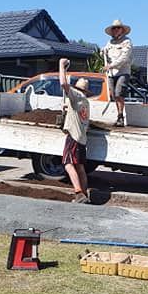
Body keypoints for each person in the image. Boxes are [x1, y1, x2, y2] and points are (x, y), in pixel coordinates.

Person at [58, 58, 91, 203]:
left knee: (68, 164)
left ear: (77, 89)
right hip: (82, 138)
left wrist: (61, 66)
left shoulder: (76, 95)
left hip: (73, 137)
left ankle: (78, 193)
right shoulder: (85, 101)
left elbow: (63, 83)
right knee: (80, 167)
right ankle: (84, 194)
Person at [102, 19, 133, 127]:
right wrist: (107, 65)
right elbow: (105, 53)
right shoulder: (109, 42)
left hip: (122, 71)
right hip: (111, 73)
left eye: (117, 28)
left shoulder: (127, 41)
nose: (116, 30)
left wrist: (110, 65)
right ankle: (118, 115)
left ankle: (120, 117)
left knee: (119, 93)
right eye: (114, 28)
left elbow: (124, 57)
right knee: (113, 94)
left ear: (122, 30)